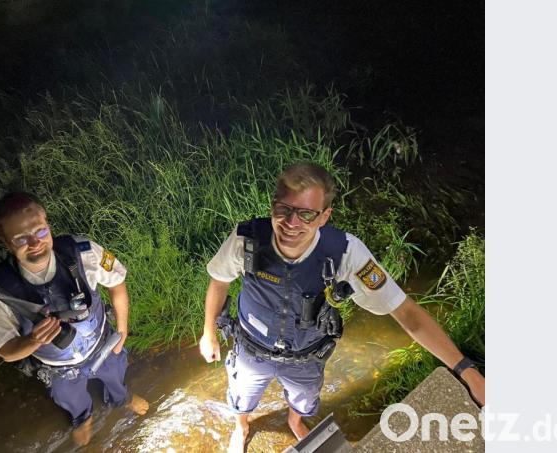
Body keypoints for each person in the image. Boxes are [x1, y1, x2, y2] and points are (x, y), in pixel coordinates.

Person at [198, 162, 485, 452]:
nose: (292, 223)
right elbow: (219, 282)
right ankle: (241, 425)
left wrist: (467, 371)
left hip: (305, 355)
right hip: (250, 350)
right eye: (284, 209)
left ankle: (295, 422)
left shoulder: (345, 252)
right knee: (242, 395)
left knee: (305, 400)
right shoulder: (246, 239)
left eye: (307, 214)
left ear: (324, 217)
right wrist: (209, 332)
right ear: (273, 205)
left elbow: (406, 312)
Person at [0, 192, 148, 447]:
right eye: (21, 239)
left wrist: (122, 331)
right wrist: (33, 341)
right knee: (69, 398)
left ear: (48, 225)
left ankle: (122, 399)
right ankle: (82, 418)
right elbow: (5, 351)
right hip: (58, 369)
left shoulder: (83, 250)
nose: (35, 242)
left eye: (40, 231)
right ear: (5, 243)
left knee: (116, 375)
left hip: (104, 345)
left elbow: (118, 282)